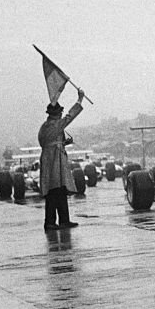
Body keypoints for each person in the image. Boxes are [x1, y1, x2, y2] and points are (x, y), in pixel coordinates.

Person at [39, 88, 85, 231]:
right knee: (54, 191)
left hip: (53, 159)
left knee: (59, 190)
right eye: (59, 113)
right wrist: (80, 99)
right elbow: (69, 117)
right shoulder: (54, 125)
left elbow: (48, 142)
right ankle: (51, 222)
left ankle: (62, 220)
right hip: (53, 161)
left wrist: (64, 144)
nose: (61, 115)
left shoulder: (46, 127)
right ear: (55, 114)